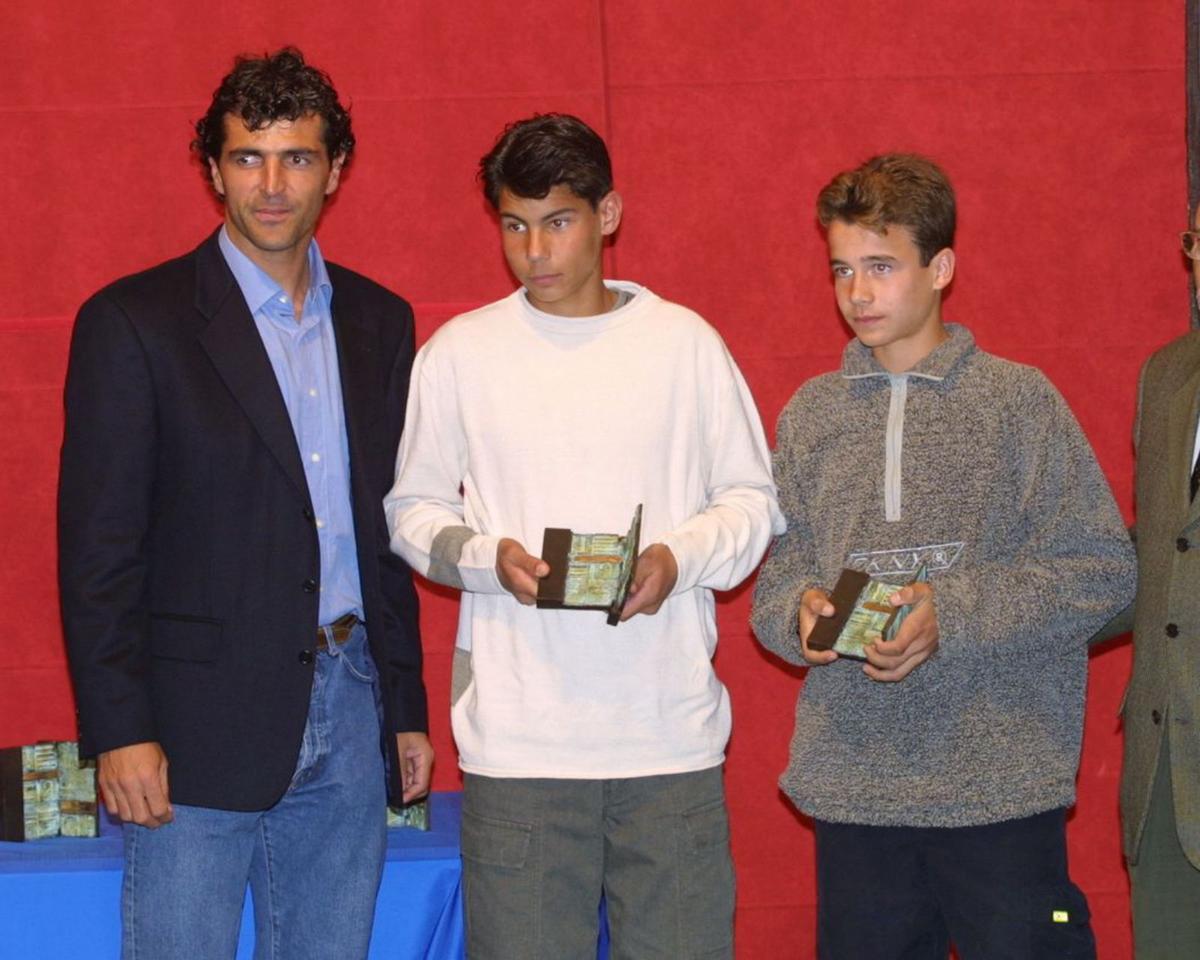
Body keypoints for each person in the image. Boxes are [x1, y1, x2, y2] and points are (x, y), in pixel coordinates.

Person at [58, 48, 431, 959]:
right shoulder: (134, 323)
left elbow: (386, 527)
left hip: (349, 707)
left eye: (297, 158)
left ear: (335, 171)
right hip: (190, 728)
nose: (272, 185)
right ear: (213, 169)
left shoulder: (381, 323)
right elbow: (98, 549)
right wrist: (121, 730)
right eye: (247, 158)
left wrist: (405, 705)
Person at [385, 113, 782, 958]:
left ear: (607, 215)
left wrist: (677, 559)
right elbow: (411, 514)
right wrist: (492, 562)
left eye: (557, 221)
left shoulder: (685, 346)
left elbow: (753, 503)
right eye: (515, 225)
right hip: (520, 747)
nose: (535, 250)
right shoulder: (461, 353)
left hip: (667, 737)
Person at [750, 153, 1135, 959]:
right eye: (843, 270)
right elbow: (778, 577)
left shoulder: (1018, 400)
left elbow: (1101, 569)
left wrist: (948, 614)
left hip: (999, 789)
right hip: (854, 790)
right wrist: (801, 618)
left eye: (882, 267)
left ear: (942, 268)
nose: (858, 293)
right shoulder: (810, 416)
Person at [1096, 208, 1200, 959]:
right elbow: (1159, 555)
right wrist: (1002, 608)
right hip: (1167, 768)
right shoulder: (1167, 375)